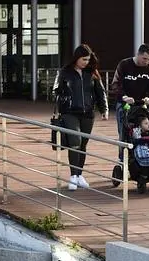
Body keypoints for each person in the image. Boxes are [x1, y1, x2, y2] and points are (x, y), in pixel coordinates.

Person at [52, 44, 108, 191]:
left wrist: (104, 109)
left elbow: (100, 92)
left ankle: (79, 175)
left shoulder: (92, 73)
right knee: (75, 141)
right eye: (83, 59)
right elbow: (55, 91)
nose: (86, 62)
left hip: (88, 113)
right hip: (70, 112)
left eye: (88, 60)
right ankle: (73, 176)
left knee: (83, 144)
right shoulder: (65, 72)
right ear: (76, 58)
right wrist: (65, 98)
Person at [111, 44, 149, 160]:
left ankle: (142, 157)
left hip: (141, 105)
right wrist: (124, 96)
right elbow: (115, 84)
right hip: (125, 104)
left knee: (144, 131)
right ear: (138, 54)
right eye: (144, 59)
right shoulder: (124, 65)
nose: (146, 62)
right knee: (124, 133)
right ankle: (123, 160)